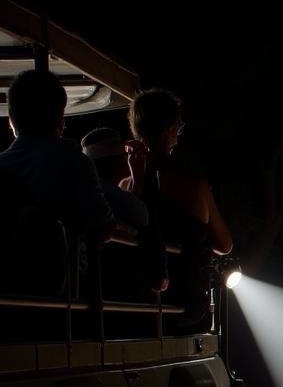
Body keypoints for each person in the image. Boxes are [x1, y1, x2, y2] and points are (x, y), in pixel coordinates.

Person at [0, 69, 115, 295]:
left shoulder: (3, 164)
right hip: (60, 293)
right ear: (61, 119)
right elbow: (103, 228)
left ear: (11, 118)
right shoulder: (74, 162)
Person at [128, 88, 232, 330]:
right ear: (171, 129)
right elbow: (225, 245)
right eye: (178, 126)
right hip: (184, 304)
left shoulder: (127, 183)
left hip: (135, 300)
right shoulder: (193, 183)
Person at [81, 127, 168, 295]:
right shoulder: (103, 189)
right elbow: (142, 215)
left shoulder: (95, 187)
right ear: (113, 160)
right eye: (125, 155)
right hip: (110, 284)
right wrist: (139, 177)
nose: (128, 159)